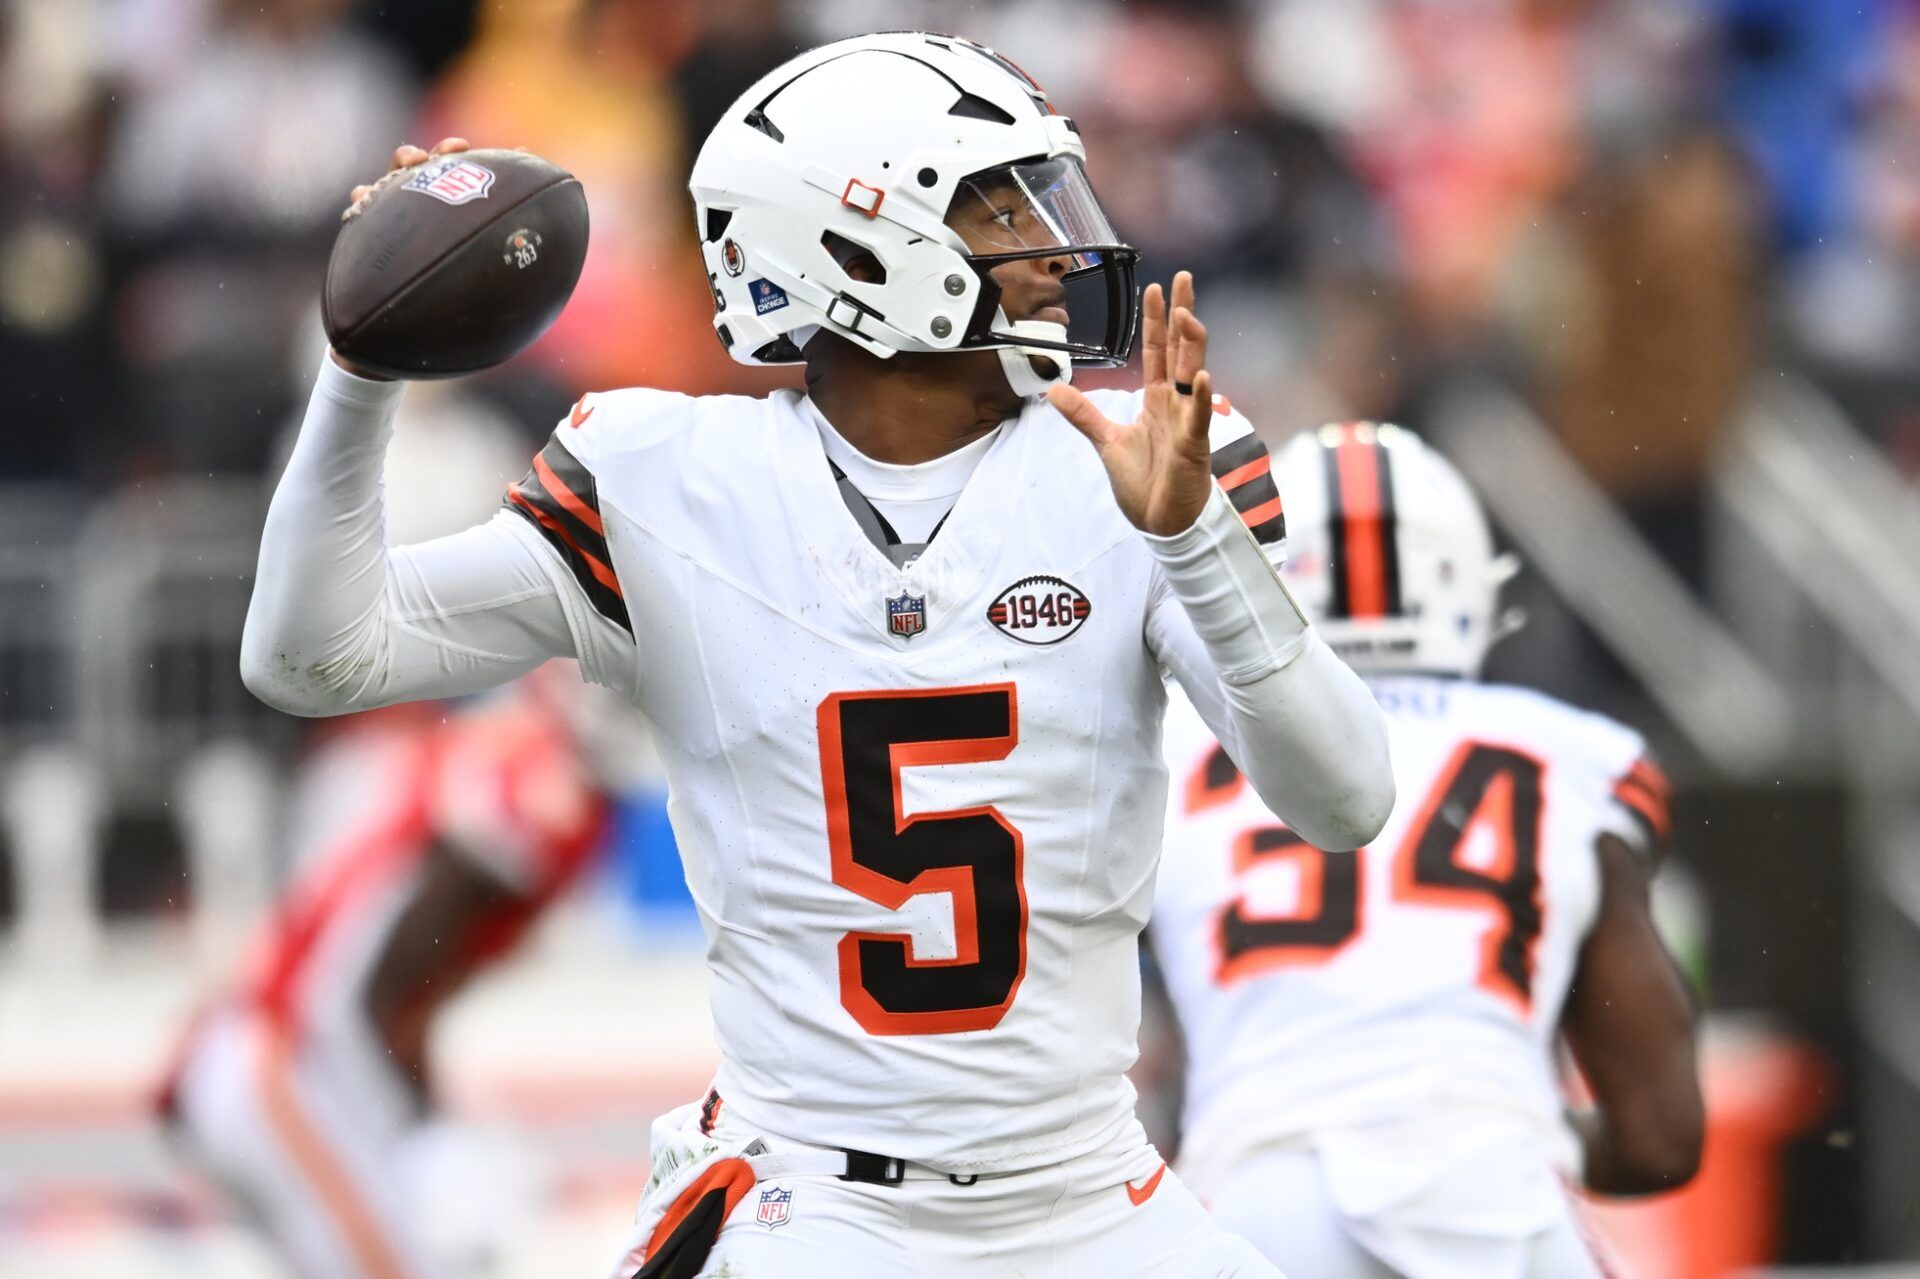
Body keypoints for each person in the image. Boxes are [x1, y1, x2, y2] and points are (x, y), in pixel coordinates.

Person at [239, 32, 1393, 1278]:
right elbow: (313, 657)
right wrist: (364, 368)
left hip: (1094, 1191)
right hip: (819, 1208)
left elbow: (1345, 800)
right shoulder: (667, 483)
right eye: (1004, 203)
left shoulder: (1146, 463)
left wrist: (1193, 538)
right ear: (863, 252)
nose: (1060, 248)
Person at [1151, 421, 1704, 1279]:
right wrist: (1522, 1125)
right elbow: (1659, 1135)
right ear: (1473, 584)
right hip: (1500, 1195)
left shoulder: (1171, 748)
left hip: (1259, 1203)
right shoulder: (1575, 757)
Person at [162, 673, 614, 1279]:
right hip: (290, 1064)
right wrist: (430, 1139)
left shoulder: (496, 745)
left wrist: (432, 1118)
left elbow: (398, 992)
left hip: (277, 1055)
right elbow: (380, 989)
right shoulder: (545, 786)